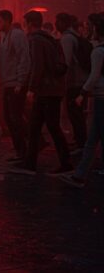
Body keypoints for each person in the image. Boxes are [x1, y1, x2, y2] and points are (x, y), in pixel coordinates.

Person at [13, 11, 72, 174]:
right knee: (35, 126)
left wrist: (31, 88)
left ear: (30, 23)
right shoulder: (49, 38)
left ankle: (65, 162)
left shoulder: (35, 40)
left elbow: (37, 66)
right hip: (52, 89)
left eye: (25, 23)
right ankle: (30, 162)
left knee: (50, 127)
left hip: (46, 90)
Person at [60, 15, 104, 187]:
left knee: (94, 137)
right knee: (92, 138)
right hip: (100, 96)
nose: (87, 29)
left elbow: (94, 76)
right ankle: (79, 174)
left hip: (100, 96)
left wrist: (82, 93)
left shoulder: (98, 52)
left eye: (90, 26)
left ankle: (79, 175)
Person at [0, 10, 31, 161]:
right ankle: (22, 148)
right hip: (8, 82)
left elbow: (24, 58)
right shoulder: (3, 36)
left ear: (7, 21)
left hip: (15, 83)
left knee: (14, 118)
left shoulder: (17, 35)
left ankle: (23, 150)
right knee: (10, 118)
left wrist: (20, 81)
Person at [57, 13, 90, 152]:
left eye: (58, 21)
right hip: (80, 80)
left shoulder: (67, 38)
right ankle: (79, 140)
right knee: (77, 113)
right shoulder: (75, 36)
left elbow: (66, 62)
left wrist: (61, 80)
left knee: (75, 114)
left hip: (74, 81)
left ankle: (81, 143)